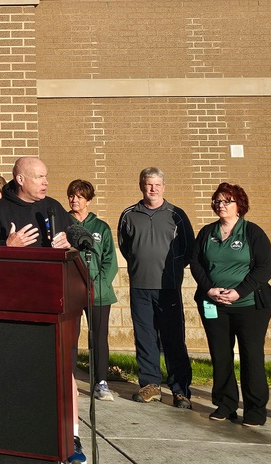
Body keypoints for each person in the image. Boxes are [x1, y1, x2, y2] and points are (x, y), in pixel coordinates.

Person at [0, 157, 83, 464]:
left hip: (53, 304)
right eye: (39, 177)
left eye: (46, 176)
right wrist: (7, 247)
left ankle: (71, 437)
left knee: (63, 371)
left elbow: (76, 248)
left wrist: (68, 247)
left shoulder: (53, 207)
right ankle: (18, 439)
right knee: (18, 374)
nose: (46, 182)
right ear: (21, 180)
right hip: (13, 308)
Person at [189, 183, 271, 426]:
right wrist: (209, 289)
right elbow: (196, 263)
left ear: (240, 206)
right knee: (220, 355)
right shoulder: (207, 232)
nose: (221, 205)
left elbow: (264, 268)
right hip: (214, 305)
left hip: (250, 306)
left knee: (251, 356)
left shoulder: (252, 232)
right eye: (217, 200)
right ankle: (225, 404)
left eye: (227, 201)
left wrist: (239, 292)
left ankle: (255, 410)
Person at [118, 167, 194, 409]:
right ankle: (151, 385)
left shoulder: (176, 215)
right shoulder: (129, 215)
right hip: (140, 286)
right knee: (145, 338)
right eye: (149, 184)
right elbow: (125, 247)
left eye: (157, 185)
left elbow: (187, 249)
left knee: (173, 338)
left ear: (164, 186)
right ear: (141, 185)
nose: (153, 189)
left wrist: (172, 271)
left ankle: (180, 389)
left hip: (168, 288)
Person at [66, 179, 118, 402]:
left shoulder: (101, 227)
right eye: (71, 195)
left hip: (99, 292)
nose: (74, 200)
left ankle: (101, 383)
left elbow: (110, 261)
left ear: (88, 199)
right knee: (70, 337)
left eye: (79, 196)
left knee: (98, 337)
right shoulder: (63, 224)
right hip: (71, 292)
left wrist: (98, 285)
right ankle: (69, 382)